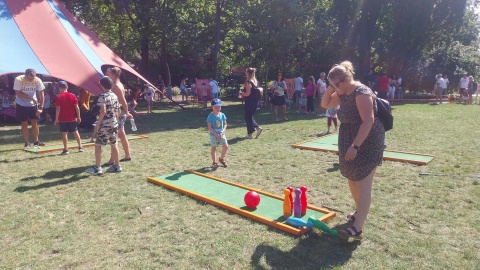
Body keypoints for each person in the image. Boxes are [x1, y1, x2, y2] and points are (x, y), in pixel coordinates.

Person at [321, 61, 385, 240]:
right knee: (352, 177)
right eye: (332, 84)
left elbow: (368, 121)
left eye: (336, 84)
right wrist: (331, 89)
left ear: (346, 79)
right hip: (348, 137)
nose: (334, 88)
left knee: (364, 181)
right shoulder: (343, 93)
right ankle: (359, 213)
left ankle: (358, 228)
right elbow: (326, 104)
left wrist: (355, 146)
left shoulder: (362, 92)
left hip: (367, 140)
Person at [85, 76, 121, 174]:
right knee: (114, 144)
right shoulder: (115, 96)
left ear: (101, 85)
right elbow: (118, 111)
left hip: (105, 125)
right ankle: (117, 166)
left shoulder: (102, 97)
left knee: (98, 145)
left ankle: (98, 167)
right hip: (114, 123)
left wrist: (98, 124)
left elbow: (103, 111)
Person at [104, 66, 133, 166]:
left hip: (119, 113)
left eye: (108, 73)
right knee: (122, 134)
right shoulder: (116, 84)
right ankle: (127, 155)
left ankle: (113, 159)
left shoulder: (116, 85)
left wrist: (127, 112)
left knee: (114, 136)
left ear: (113, 75)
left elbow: (123, 101)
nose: (106, 74)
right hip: (119, 112)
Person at [14, 68, 45, 148]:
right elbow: (18, 93)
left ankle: (36, 141)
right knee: (24, 123)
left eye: (33, 78)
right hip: (21, 103)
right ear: (25, 75)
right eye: (29, 78)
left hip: (33, 104)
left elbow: (42, 95)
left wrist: (41, 108)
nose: (31, 80)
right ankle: (27, 142)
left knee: (34, 122)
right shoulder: (18, 79)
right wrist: (31, 98)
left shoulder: (38, 80)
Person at [54, 81, 84, 155]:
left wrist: (56, 119)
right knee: (75, 132)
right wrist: (79, 116)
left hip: (62, 119)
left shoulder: (58, 97)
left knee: (64, 134)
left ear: (59, 88)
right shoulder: (73, 95)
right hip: (72, 118)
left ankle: (66, 149)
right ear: (67, 87)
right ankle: (80, 146)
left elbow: (58, 109)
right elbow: (77, 107)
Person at [240, 68, 263, 139]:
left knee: (248, 117)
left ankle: (250, 134)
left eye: (246, 72)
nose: (245, 73)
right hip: (255, 102)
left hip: (249, 102)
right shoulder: (255, 81)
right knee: (249, 117)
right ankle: (257, 128)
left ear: (248, 73)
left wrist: (241, 93)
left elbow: (247, 93)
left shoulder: (248, 82)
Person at [207, 98, 229, 167]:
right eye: (216, 107)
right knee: (214, 148)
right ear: (212, 107)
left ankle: (221, 159)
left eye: (219, 107)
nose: (218, 108)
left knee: (225, 146)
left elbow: (225, 124)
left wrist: (223, 131)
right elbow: (209, 127)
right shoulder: (210, 116)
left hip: (221, 134)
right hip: (213, 135)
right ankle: (214, 162)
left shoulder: (222, 115)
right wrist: (215, 134)